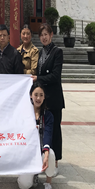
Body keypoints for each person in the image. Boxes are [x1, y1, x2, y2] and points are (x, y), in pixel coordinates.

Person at [31, 23, 64, 176]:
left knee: (55, 130)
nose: (44, 37)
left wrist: (38, 78)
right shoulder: (41, 52)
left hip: (54, 98)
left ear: (51, 35)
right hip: (43, 98)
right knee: (44, 128)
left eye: (46, 34)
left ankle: (55, 161)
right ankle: (44, 157)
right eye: (41, 35)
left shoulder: (57, 52)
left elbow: (55, 76)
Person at [17, 81, 56, 189]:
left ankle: (48, 184)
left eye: (41, 95)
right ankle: (33, 176)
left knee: (51, 155)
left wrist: (46, 153)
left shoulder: (48, 115)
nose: (38, 98)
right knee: (24, 186)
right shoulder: (24, 114)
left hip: (41, 150)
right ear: (30, 95)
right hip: (27, 153)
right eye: (36, 95)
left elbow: (48, 134)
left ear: (44, 97)